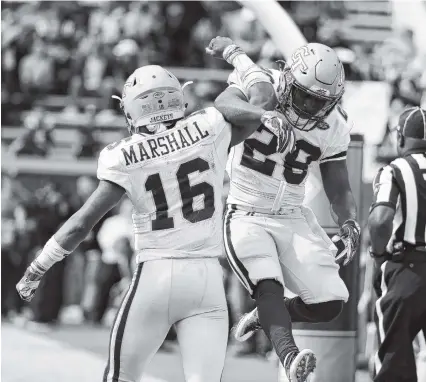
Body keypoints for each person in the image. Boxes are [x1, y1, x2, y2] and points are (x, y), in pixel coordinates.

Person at [16, 64, 294, 382]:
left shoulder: (122, 155)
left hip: (155, 274)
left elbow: (82, 224)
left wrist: (37, 267)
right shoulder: (210, 124)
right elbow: (259, 101)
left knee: (120, 375)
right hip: (206, 279)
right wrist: (239, 68)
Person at [206, 37, 361, 382]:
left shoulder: (333, 125)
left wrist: (349, 221)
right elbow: (223, 103)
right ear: (289, 78)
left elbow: (338, 184)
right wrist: (262, 113)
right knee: (267, 284)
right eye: (303, 94)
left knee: (331, 303)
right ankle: (290, 358)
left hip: (292, 214)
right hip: (246, 211)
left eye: (318, 100)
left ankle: (267, 315)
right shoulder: (265, 86)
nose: (307, 105)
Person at [368, 107, 426, 382]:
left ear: (400, 138)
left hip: (408, 268)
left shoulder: (395, 170)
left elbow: (380, 220)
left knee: (394, 365)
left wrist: (379, 255)